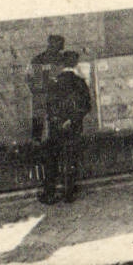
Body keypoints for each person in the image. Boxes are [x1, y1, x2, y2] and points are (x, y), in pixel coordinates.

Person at [40, 55, 92, 204]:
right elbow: (87, 106)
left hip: (56, 129)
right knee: (71, 158)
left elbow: (49, 107)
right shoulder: (80, 83)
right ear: (75, 64)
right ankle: (69, 194)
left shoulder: (54, 83)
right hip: (74, 127)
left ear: (61, 64)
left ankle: (49, 194)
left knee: (52, 160)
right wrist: (72, 120)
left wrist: (58, 121)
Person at [26, 33, 67, 142]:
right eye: (59, 45)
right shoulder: (60, 60)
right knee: (46, 121)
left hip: (47, 96)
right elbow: (29, 77)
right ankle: (45, 145)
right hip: (47, 96)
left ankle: (41, 145)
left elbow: (29, 77)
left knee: (46, 122)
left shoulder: (38, 59)